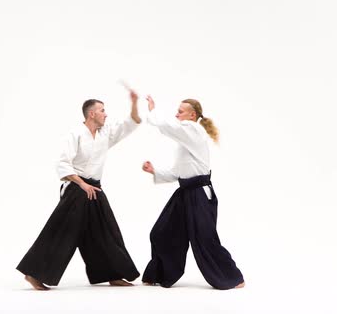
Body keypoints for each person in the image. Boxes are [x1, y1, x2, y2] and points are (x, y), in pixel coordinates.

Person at [16, 92, 142, 290]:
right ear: (91, 114)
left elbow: (132, 122)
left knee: (106, 230)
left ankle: (113, 274)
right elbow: (63, 164)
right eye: (102, 111)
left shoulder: (105, 133)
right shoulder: (75, 134)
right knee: (62, 231)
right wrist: (82, 184)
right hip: (76, 188)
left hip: (95, 188)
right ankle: (33, 274)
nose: (105, 114)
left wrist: (134, 102)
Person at [140, 95, 245, 290]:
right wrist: (155, 171)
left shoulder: (193, 130)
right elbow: (178, 172)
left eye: (180, 111)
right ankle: (160, 274)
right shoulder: (186, 139)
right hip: (185, 193)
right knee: (161, 232)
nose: (176, 114)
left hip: (199, 195)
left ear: (192, 115)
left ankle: (232, 277)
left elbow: (169, 127)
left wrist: (153, 111)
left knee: (205, 239)